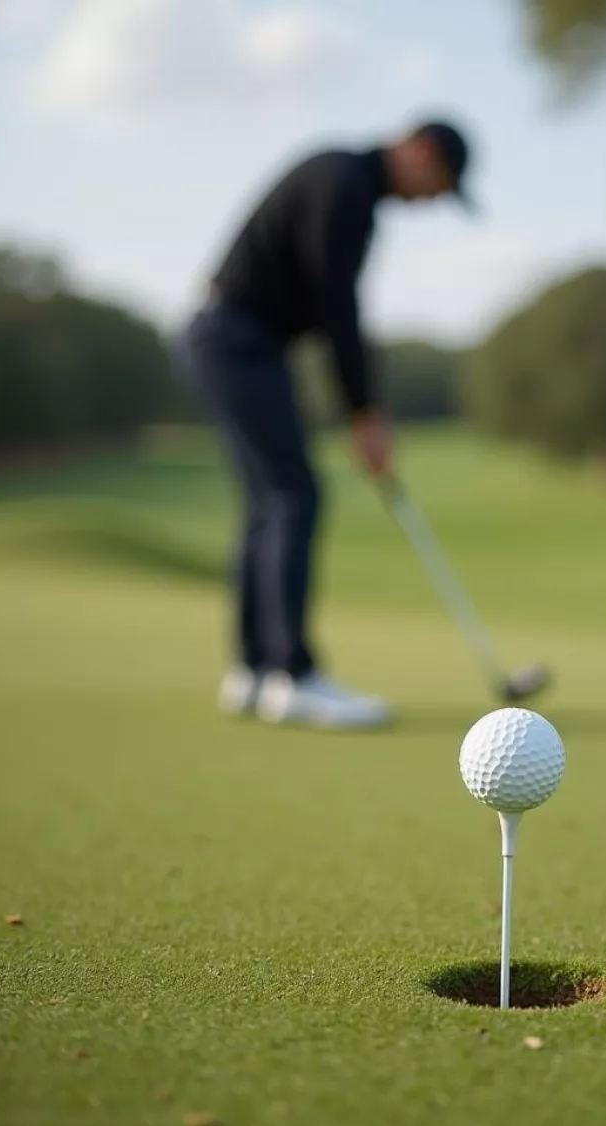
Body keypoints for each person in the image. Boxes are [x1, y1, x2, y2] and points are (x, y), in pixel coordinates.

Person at [177, 119, 474, 729]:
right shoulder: (345, 185)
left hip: (232, 338)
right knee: (293, 495)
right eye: (440, 185)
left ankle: (255, 672)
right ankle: (293, 675)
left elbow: (322, 306)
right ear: (421, 152)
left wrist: (357, 405)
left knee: (270, 502)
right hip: (237, 338)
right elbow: (337, 304)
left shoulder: (346, 180)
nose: (434, 200)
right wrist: (363, 411)